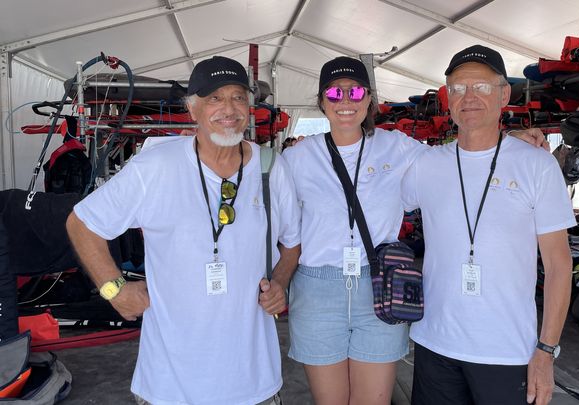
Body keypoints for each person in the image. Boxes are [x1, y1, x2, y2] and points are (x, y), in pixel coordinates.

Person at [282, 56, 547, 405]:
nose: (345, 100)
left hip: (378, 285)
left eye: (355, 91)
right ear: (321, 101)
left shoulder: (399, 147)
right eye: (333, 92)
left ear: (369, 99)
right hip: (318, 289)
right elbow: (288, 235)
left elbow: (459, 157)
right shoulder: (297, 158)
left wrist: (509, 139)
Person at [66, 56, 301, 405]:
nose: (229, 108)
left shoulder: (271, 168)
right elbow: (82, 223)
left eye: (238, 97)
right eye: (214, 98)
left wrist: (279, 283)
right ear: (192, 109)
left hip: (254, 383)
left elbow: (292, 244)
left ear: (249, 107)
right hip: (169, 386)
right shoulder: (157, 166)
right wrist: (114, 289)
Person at [402, 45, 575, 405]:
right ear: (448, 97)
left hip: (508, 351)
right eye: (459, 88)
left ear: (504, 94)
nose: (470, 97)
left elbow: (559, 266)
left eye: (481, 87)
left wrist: (546, 351)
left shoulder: (536, 166)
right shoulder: (425, 165)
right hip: (435, 344)